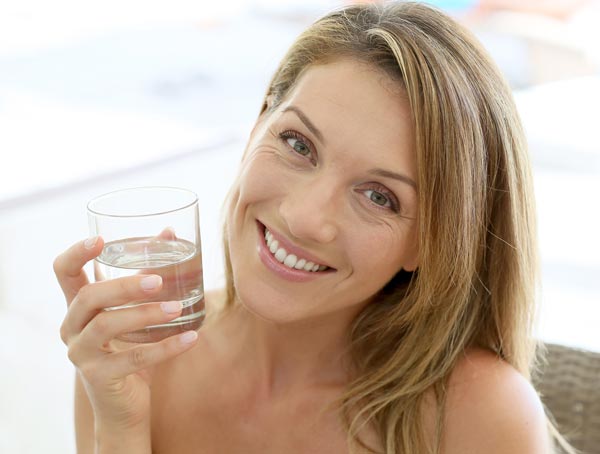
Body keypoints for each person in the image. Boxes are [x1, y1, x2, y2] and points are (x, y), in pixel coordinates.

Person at [54, 2, 568, 453]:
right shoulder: (134, 356)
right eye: (299, 144)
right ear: (258, 126)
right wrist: (121, 428)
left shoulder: (476, 418)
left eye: (378, 196)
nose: (305, 218)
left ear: (431, 243)